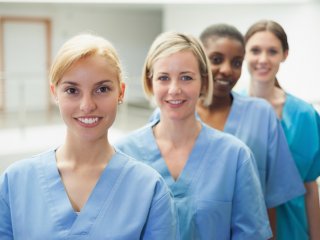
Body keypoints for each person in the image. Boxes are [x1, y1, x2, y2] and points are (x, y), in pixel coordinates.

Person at [0, 33, 176, 239]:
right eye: (72, 90)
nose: (87, 105)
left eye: (102, 89)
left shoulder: (149, 189)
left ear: (121, 92)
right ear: (54, 93)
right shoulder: (17, 181)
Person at [115, 31, 272, 239]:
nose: (174, 89)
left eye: (186, 77)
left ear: (204, 82)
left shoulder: (235, 157)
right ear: (150, 81)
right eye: (163, 78)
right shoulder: (124, 155)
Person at [195, 23, 305, 238]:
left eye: (236, 62)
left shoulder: (261, 114)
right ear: (199, 60)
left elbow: (272, 195)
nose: (227, 69)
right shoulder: (175, 115)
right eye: (216, 59)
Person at [244, 19, 320, 240]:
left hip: (294, 230)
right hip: (243, 229)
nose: (263, 59)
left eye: (272, 51)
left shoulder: (304, 115)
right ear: (245, 53)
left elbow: (310, 188)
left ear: (284, 55)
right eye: (255, 50)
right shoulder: (229, 110)